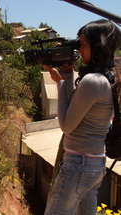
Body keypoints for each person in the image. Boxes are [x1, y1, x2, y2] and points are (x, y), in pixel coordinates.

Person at [43, 19, 121, 215]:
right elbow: (75, 110)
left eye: (83, 44)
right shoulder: (111, 76)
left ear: (98, 45)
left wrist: (60, 83)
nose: (79, 50)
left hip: (79, 164)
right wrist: (67, 77)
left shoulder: (93, 81)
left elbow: (67, 124)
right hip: (93, 165)